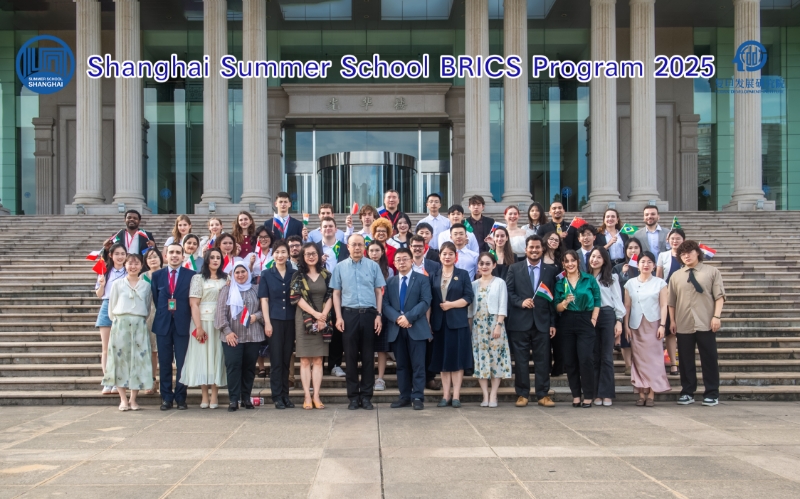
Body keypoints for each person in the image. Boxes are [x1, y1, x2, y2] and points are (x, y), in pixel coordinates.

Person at [331, 234, 386, 410]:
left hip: (369, 315)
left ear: (364, 247)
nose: (356, 248)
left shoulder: (373, 266)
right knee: (351, 357)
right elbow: (336, 294)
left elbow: (378, 292)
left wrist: (378, 315)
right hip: (349, 315)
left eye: (360, 245)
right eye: (353, 244)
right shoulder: (339, 268)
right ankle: (353, 397)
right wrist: (338, 317)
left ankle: (367, 396)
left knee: (369, 357)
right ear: (348, 246)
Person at [668, 240, 725, 407]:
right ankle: (687, 392)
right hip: (683, 322)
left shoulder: (712, 272)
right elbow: (671, 301)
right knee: (685, 360)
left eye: (690, 252)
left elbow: (719, 296)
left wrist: (717, 316)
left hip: (706, 321)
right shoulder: (676, 276)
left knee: (709, 358)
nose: (686, 256)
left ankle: (712, 393)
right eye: (683, 254)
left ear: (697, 253)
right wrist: (672, 321)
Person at [505, 235, 558, 407]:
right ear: (525, 249)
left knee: (543, 360)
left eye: (537, 247)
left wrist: (552, 323)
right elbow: (509, 292)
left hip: (542, 323)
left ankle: (543, 394)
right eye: (531, 247)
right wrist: (521, 302)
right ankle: (522, 394)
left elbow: (553, 299)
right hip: (519, 322)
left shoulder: (550, 271)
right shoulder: (514, 268)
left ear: (542, 249)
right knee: (520, 360)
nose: (534, 250)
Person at [102, 253, 152, 411]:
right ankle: (123, 399)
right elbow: (111, 308)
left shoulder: (146, 285)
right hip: (121, 324)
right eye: (130, 263)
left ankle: (133, 399)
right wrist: (119, 321)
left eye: (136, 263)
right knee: (120, 361)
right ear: (125, 265)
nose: (133, 266)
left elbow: (148, 306)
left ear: (141, 266)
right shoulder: (117, 284)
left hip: (139, 324)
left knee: (138, 361)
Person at [384, 248, 433, 410]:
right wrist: (398, 319)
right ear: (394, 263)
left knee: (418, 364)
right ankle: (404, 396)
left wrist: (408, 317)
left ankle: (418, 396)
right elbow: (385, 305)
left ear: (412, 260)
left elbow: (425, 301)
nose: (401, 262)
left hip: (416, 327)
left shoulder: (422, 279)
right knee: (402, 365)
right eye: (398, 260)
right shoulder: (390, 282)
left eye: (405, 259)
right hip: (397, 329)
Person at [180, 248, 227, 409]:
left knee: (217, 356)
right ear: (206, 260)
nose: (215, 260)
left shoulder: (226, 278)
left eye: (218, 258)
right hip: (202, 321)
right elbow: (194, 303)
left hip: (220, 322)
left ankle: (215, 394)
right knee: (203, 356)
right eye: (212, 257)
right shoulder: (198, 278)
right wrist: (198, 326)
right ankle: (204, 394)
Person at [151, 243, 197, 410]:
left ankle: (181, 398)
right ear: (165, 256)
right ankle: (166, 398)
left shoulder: (192, 275)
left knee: (182, 363)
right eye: (171, 252)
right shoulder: (157, 275)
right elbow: (157, 299)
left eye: (178, 252)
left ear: (183, 256)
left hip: (183, 324)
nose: (175, 255)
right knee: (164, 363)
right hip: (163, 324)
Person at [429, 242, 474, 408]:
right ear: (439, 256)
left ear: (456, 256)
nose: (447, 257)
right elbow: (430, 300)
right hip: (439, 324)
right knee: (443, 361)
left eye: (450, 254)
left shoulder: (462, 275)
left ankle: (456, 395)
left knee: (456, 361)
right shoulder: (434, 275)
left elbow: (469, 297)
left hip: (457, 323)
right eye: (444, 254)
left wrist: (451, 304)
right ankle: (445, 395)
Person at [215, 261, 264, 411]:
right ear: (232, 275)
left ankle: (246, 398)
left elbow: (264, 309)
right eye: (237, 272)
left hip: (252, 335)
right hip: (233, 336)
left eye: (243, 272)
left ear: (248, 273)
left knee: (249, 368)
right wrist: (227, 331)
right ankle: (233, 399)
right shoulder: (227, 290)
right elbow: (220, 313)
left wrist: (256, 316)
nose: (240, 275)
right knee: (233, 367)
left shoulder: (256, 289)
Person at [555, 250, 601, 408]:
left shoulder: (589, 279)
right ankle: (576, 395)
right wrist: (565, 303)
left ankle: (588, 395)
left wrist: (594, 318)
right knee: (570, 361)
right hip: (567, 321)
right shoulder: (561, 282)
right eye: (566, 261)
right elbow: (557, 308)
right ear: (563, 264)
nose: (570, 264)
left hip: (586, 319)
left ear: (578, 261)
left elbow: (597, 300)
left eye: (572, 260)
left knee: (586, 359)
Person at [624, 251, 671, 407]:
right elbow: (627, 307)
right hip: (635, 325)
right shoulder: (630, 283)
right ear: (637, 265)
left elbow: (664, 305)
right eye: (643, 261)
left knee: (654, 360)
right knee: (638, 360)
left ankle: (651, 393)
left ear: (653, 265)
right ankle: (641, 393)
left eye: (649, 262)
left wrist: (663, 325)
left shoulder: (660, 283)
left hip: (654, 324)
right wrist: (626, 326)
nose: (646, 264)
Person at [290, 243, 333, 410]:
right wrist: (315, 315)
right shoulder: (298, 275)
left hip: (323, 318)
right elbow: (295, 298)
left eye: (314, 253)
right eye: (307, 254)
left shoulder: (326, 275)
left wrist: (323, 317)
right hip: (304, 320)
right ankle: (307, 396)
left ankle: (316, 395)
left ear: (319, 254)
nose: (311, 256)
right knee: (305, 360)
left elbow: (332, 295)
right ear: (303, 256)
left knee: (318, 359)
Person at [257, 241, 297, 409]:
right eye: (277, 252)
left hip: (291, 320)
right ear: (272, 255)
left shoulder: (294, 273)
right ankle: (277, 396)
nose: (280, 255)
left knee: (287, 358)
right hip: (273, 320)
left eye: (283, 252)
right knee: (276, 360)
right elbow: (264, 300)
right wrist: (267, 322)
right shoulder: (266, 274)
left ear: (288, 254)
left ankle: (286, 395)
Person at [470, 252, 511, 407]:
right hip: (478, 326)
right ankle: (485, 395)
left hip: (495, 325)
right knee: (481, 360)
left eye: (488, 263)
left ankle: (493, 394)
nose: (484, 266)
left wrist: (499, 325)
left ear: (494, 265)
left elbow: (502, 305)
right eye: (481, 263)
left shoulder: (499, 282)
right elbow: (470, 309)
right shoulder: (473, 284)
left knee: (495, 360)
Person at [587, 246, 625, 407]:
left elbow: (617, 300)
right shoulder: (585, 277)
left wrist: (619, 320)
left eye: (599, 257)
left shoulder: (612, 278)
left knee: (607, 356)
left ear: (604, 261)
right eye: (593, 256)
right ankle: (596, 393)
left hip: (607, 315)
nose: (595, 259)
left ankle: (607, 393)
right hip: (590, 317)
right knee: (594, 356)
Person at [410, 235, 443, 391]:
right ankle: (412, 379)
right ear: (410, 247)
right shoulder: (404, 264)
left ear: (425, 247)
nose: (417, 248)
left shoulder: (434, 266)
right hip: (410, 311)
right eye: (414, 246)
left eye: (420, 246)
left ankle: (429, 378)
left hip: (430, 309)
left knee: (429, 345)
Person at [95, 243, 127, 395]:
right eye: (117, 254)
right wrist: (101, 284)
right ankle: (108, 380)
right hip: (107, 305)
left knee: (120, 347)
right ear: (111, 255)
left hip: (123, 307)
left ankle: (119, 381)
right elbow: (99, 294)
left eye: (122, 254)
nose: (120, 257)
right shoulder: (105, 272)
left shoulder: (129, 271)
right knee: (106, 348)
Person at [612, 237, 643, 375]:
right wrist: (622, 274)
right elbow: (614, 287)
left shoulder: (644, 265)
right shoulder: (618, 267)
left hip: (641, 306)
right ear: (625, 251)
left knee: (640, 336)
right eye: (630, 248)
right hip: (623, 307)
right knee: (626, 337)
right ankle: (628, 365)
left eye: (636, 247)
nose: (633, 250)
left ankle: (639, 364)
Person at [657, 228, 686, 376]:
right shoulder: (663, 255)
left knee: (684, 332)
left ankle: (685, 362)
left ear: (683, 240)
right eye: (672, 238)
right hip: (668, 297)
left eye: (678, 238)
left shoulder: (687, 256)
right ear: (668, 240)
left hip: (685, 298)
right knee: (670, 332)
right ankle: (673, 363)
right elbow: (659, 277)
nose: (675, 241)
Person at [367, 241, 394, 392]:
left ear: (382, 252)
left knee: (382, 348)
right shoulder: (363, 267)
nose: (374, 253)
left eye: (377, 250)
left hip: (383, 310)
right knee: (367, 347)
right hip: (367, 310)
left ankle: (380, 378)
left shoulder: (389, 270)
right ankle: (368, 377)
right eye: (371, 250)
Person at [141, 248, 163, 394]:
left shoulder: (167, 273)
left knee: (164, 351)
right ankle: (152, 380)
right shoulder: (142, 276)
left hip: (165, 313)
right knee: (152, 350)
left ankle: (165, 382)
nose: (153, 259)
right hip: (148, 315)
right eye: (149, 258)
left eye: (155, 256)